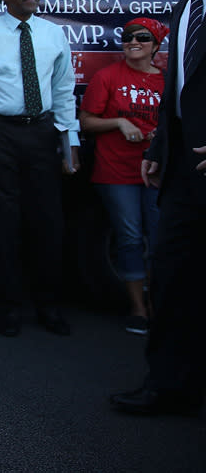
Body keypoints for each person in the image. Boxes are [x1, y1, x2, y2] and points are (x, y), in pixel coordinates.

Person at [111, 0, 206, 417]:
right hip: (181, 174)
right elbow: (180, 88)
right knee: (173, 281)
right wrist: (159, 147)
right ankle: (169, 385)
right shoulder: (188, 2)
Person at [0, 0, 80, 338]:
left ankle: (49, 306)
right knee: (3, 224)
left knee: (48, 223)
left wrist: (69, 143)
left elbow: (63, 92)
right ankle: (8, 308)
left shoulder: (53, 33)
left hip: (42, 134)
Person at [79, 17, 167, 335]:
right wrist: (118, 123)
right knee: (129, 239)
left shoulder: (166, 81)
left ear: (156, 46)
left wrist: (163, 134)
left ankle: (161, 307)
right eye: (128, 36)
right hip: (116, 171)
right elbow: (86, 122)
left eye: (142, 38)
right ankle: (138, 309)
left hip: (156, 173)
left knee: (160, 242)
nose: (133, 41)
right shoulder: (108, 76)